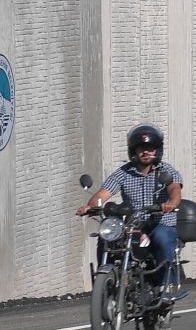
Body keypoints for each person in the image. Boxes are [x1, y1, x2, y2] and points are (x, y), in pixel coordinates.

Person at [78, 125, 184, 300]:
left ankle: (166, 286)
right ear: (133, 151)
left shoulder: (167, 171)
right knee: (107, 236)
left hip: (160, 223)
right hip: (133, 225)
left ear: (157, 150)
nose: (146, 152)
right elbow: (102, 195)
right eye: (141, 148)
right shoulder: (123, 173)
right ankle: (106, 279)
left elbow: (175, 190)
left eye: (150, 148)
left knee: (162, 237)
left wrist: (170, 204)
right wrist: (91, 206)